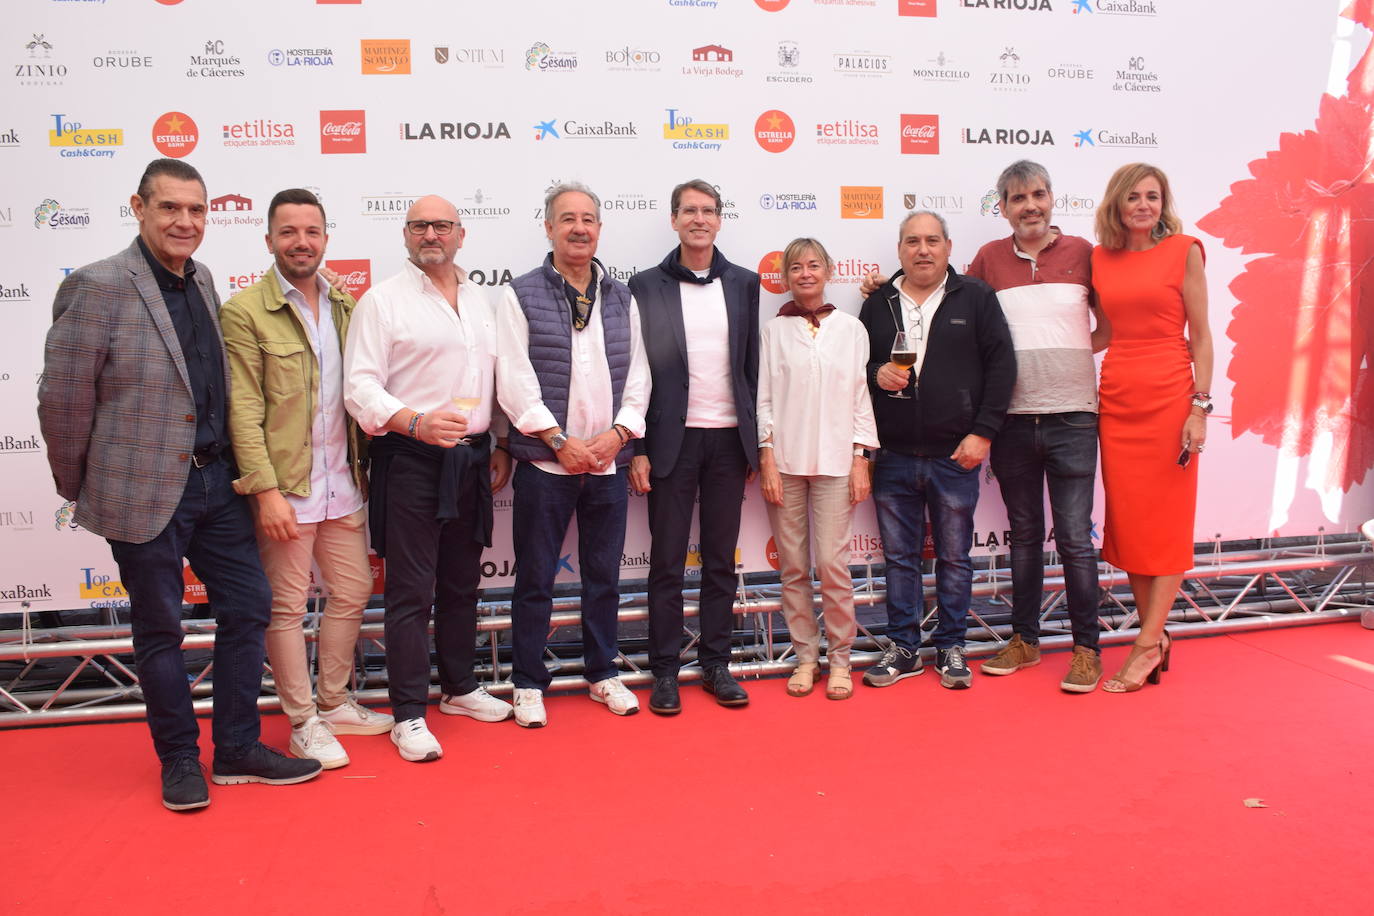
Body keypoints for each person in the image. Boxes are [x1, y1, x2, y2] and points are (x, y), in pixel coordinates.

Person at [37, 159, 322, 811]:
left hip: (216, 484)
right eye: (170, 208)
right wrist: (82, 485)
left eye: (196, 210)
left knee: (249, 607)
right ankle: (179, 760)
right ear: (139, 207)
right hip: (140, 494)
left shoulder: (204, 279)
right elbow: (64, 400)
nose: (185, 222)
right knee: (160, 629)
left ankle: (238, 749)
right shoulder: (99, 285)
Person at [220, 189, 393, 770]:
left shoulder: (346, 306)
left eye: (311, 231)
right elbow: (242, 409)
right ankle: (301, 722)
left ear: (326, 237)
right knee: (288, 607)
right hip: (286, 490)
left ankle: (335, 701)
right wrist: (264, 490)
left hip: (343, 483)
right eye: (288, 232)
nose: (301, 242)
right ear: (268, 240)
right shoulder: (245, 312)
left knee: (352, 592)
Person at [343, 195, 513, 762]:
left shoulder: (483, 301)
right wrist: (415, 421)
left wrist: (500, 445)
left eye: (442, 225)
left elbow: (497, 380)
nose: (431, 234)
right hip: (411, 459)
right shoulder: (382, 302)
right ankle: (409, 713)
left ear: (461, 235)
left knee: (462, 585)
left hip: (472, 459)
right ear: (406, 235)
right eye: (420, 226)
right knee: (411, 593)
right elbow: (360, 387)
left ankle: (460, 689)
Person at [497, 182, 651, 728]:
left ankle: (602, 672)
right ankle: (527, 682)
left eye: (588, 219)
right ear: (548, 227)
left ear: (600, 229)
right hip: (546, 464)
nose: (579, 228)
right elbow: (513, 380)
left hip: (607, 464)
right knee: (535, 577)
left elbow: (639, 375)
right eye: (567, 219)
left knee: (603, 576)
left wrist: (618, 436)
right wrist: (559, 441)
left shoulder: (621, 297)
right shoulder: (520, 294)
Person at [965, 160, 1110, 692]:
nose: (1030, 205)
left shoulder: (1085, 255)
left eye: (1039, 194)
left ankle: (1086, 650)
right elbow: (959, 318)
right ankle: (1024, 641)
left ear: (1053, 199)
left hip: (1075, 416)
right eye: (1018, 198)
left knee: (1074, 539)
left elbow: (1108, 325)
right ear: (1001, 207)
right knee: (1024, 536)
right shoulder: (987, 260)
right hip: (1011, 422)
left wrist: (1067, 354)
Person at [857, 211, 1016, 690]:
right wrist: (875, 374)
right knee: (900, 559)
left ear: (948, 246)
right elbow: (857, 368)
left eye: (931, 241)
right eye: (912, 241)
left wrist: (983, 433)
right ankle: (904, 647)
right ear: (900, 248)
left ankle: (951, 646)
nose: (922, 249)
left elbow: (1002, 368)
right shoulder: (878, 303)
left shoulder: (976, 297)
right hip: (894, 456)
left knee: (954, 557)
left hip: (955, 454)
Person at [627, 178, 759, 716]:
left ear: (720, 220)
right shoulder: (644, 285)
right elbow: (633, 373)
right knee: (665, 562)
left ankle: (716, 664)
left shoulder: (746, 284)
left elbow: (752, 368)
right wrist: (636, 446)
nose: (699, 219)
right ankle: (664, 671)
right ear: (674, 219)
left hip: (729, 441)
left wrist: (757, 444)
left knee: (720, 563)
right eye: (689, 211)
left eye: (708, 211)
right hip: (667, 444)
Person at [1091, 162, 1213, 692]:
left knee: (1164, 523)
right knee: (1131, 523)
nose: (1144, 205)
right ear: (1117, 204)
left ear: (1164, 204)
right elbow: (1104, 332)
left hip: (1169, 397)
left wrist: (1199, 408)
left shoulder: (1185, 249)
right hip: (1117, 398)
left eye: (1153, 197)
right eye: (1134, 197)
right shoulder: (1099, 258)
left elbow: (1203, 337)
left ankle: (1144, 645)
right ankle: (1155, 636)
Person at [758, 238, 878, 701]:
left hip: (835, 463)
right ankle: (806, 658)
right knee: (792, 567)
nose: (805, 274)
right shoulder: (773, 330)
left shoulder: (851, 329)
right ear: (785, 276)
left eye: (814, 265)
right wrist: (766, 455)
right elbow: (763, 398)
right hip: (785, 464)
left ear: (829, 270)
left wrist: (861, 458)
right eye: (796, 267)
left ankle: (841, 660)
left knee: (832, 564)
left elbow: (860, 397)